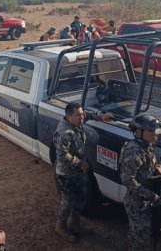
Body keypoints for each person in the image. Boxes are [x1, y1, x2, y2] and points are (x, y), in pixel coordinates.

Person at [119, 114, 161, 251]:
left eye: (154, 131)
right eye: (150, 131)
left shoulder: (147, 142)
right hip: (137, 202)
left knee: (138, 232)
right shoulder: (134, 152)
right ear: (139, 132)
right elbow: (127, 180)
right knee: (142, 239)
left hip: (147, 196)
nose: (154, 134)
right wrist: (151, 196)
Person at [53, 102, 114, 243]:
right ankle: (60, 226)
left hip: (80, 172)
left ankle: (75, 224)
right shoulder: (65, 133)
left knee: (81, 198)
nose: (82, 117)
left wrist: (101, 116)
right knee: (68, 201)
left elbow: (89, 113)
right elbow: (62, 157)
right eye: (78, 115)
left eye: (82, 114)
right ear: (68, 117)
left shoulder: (76, 121)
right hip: (67, 174)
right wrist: (80, 163)